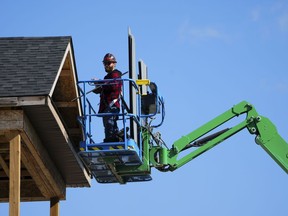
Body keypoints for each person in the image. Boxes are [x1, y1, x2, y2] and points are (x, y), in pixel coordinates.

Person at [93, 53, 123, 142]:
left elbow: (114, 86)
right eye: (105, 63)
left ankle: (112, 139)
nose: (106, 65)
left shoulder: (116, 74)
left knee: (110, 124)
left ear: (114, 63)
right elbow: (107, 88)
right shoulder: (108, 77)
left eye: (109, 63)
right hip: (107, 106)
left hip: (112, 105)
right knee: (109, 124)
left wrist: (101, 83)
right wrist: (99, 87)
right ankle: (114, 137)